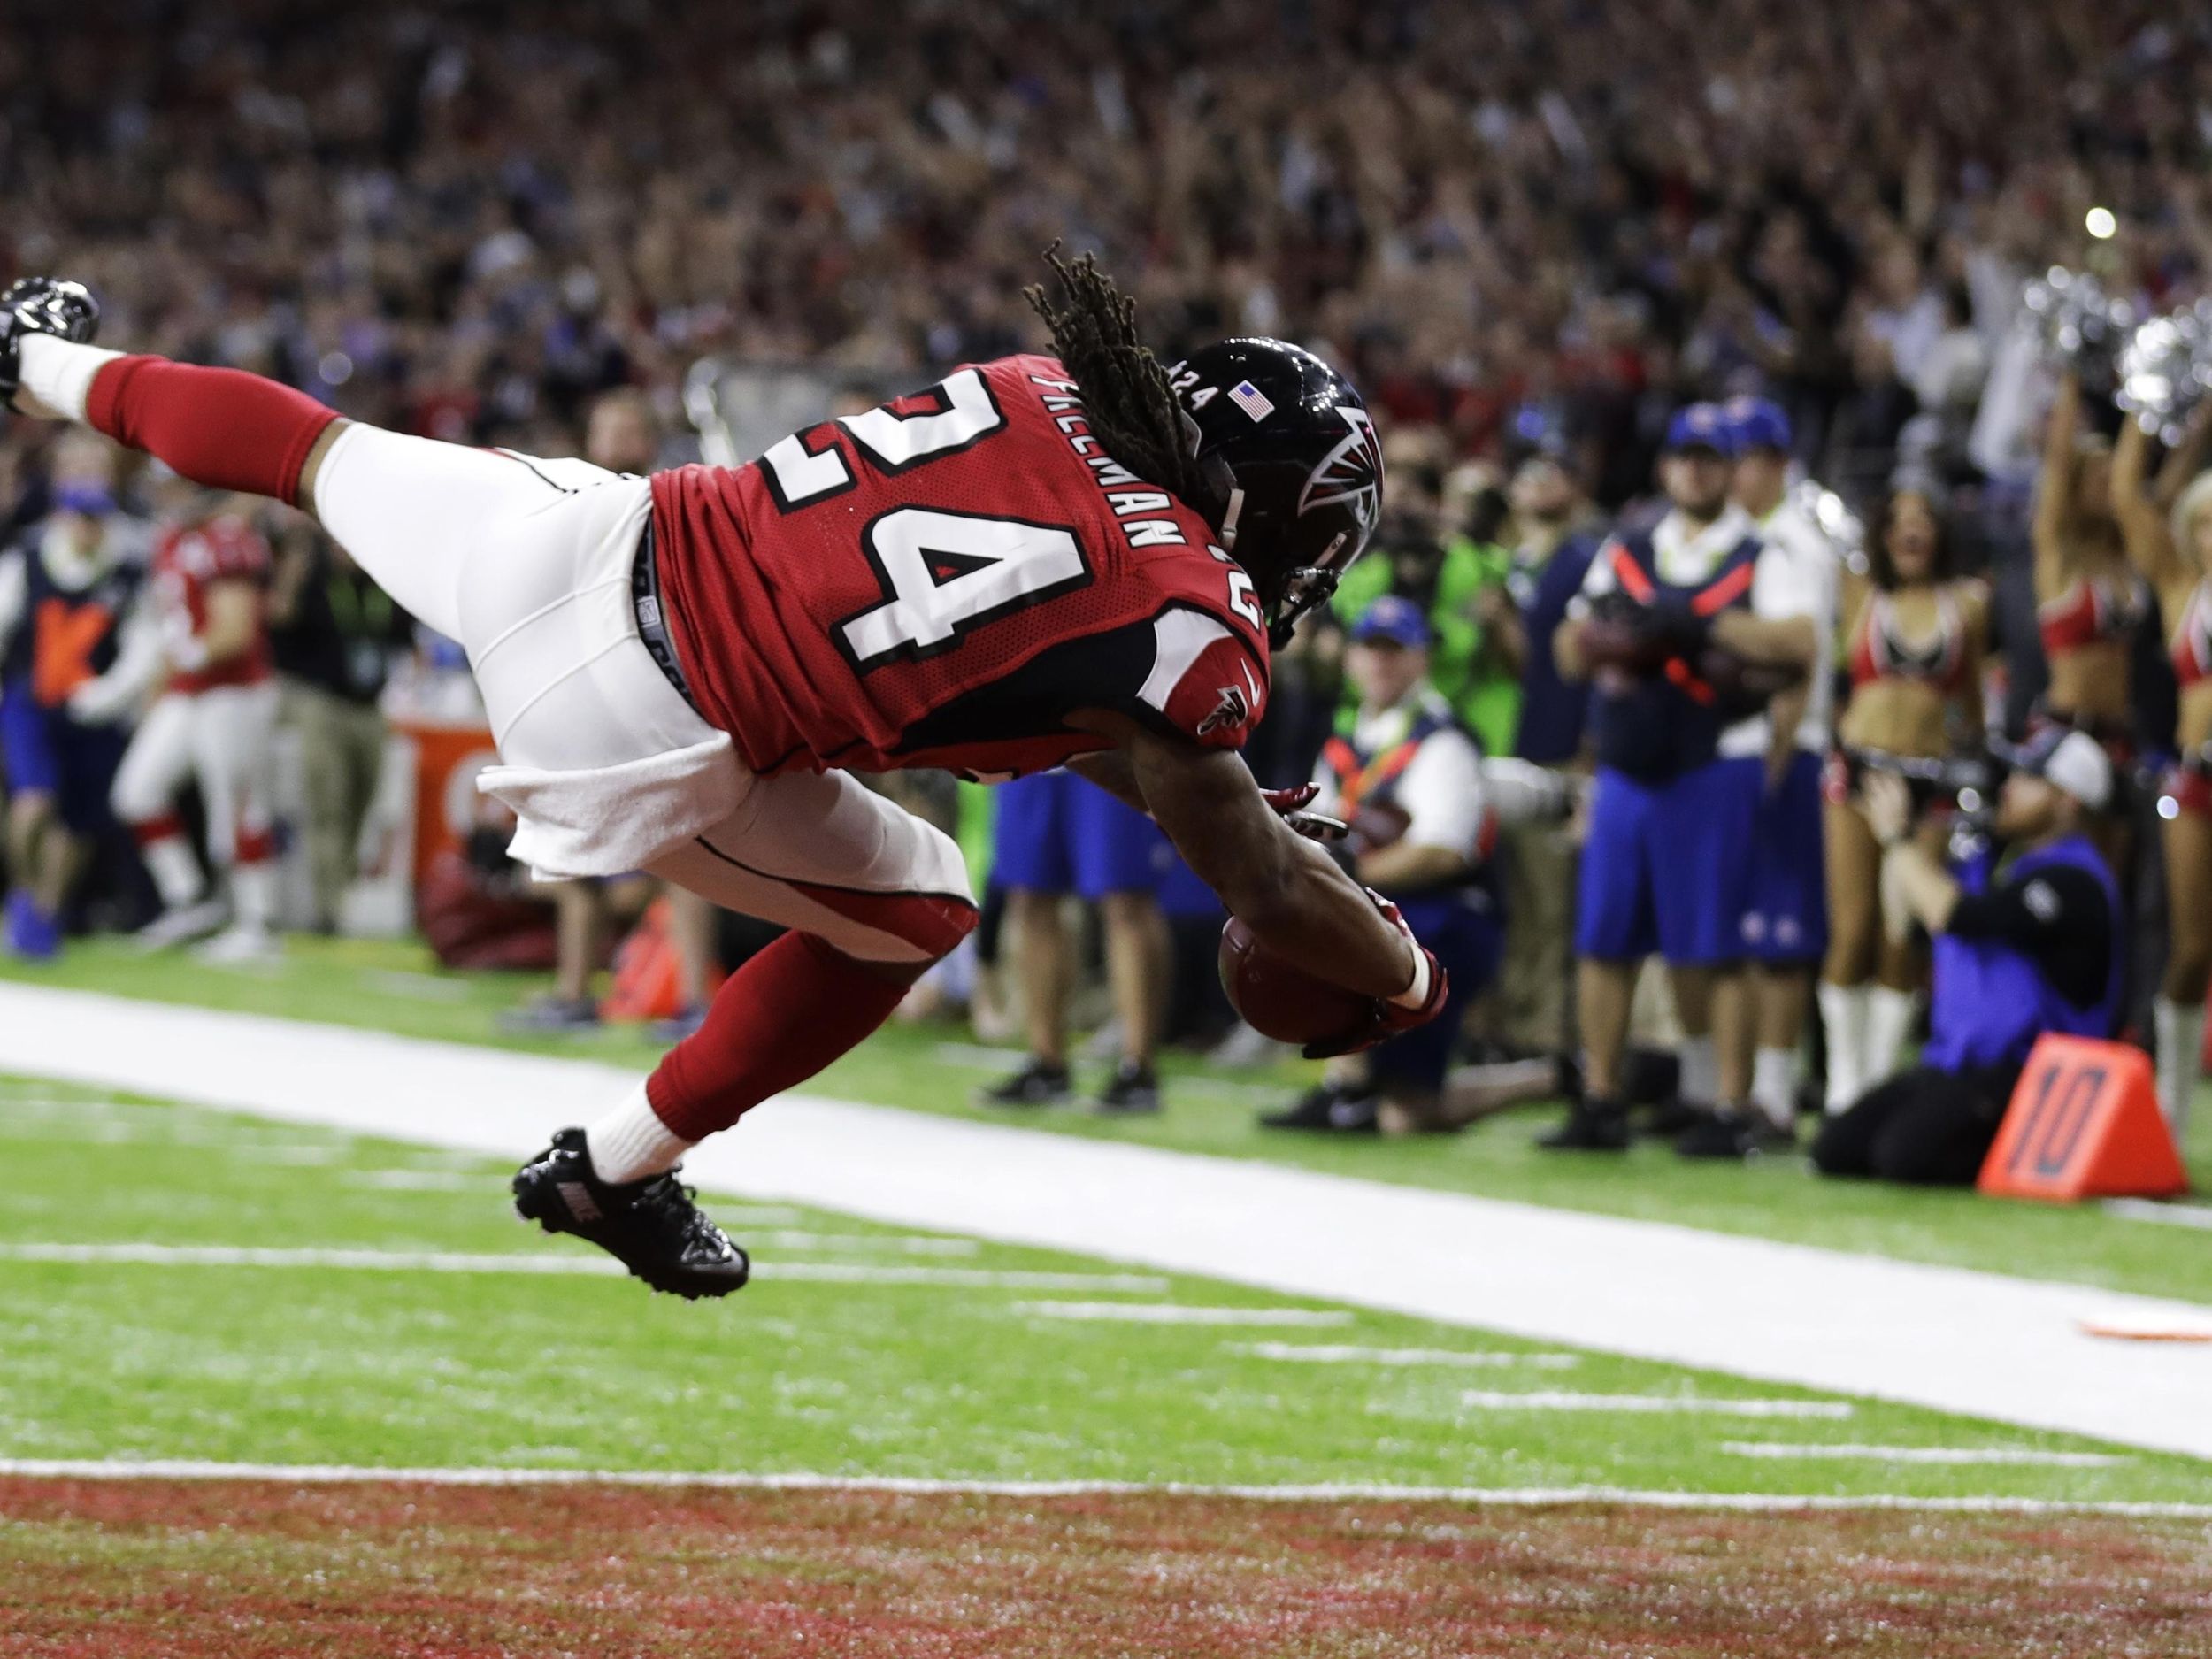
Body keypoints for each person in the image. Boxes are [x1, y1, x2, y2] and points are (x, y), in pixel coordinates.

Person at [0, 256, 1443, 1299]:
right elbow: (1241, 870)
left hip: (583, 537)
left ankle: (37, 360)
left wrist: (1238, 799)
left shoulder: (1045, 384)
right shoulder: (1189, 609)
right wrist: (1406, 977)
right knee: (925, 905)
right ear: (1256, 492)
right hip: (641, 714)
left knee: (309, 448)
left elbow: (1089, 698)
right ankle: (612, 1170)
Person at [1542, 403, 1821, 1152]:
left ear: (1731, 471)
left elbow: (1799, 643)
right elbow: (1571, 647)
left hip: (1714, 759)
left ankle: (1730, 1105)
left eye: (1710, 458)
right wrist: (1617, 635)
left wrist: (1697, 623)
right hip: (1630, 763)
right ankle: (1601, 1095)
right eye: (1684, 457)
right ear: (1666, 466)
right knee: (1604, 936)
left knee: (1716, 944)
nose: (1695, 470)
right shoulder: (1628, 546)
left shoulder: (1765, 553)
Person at [499, 387, 716, 1035]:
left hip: (667, 690)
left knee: (689, 848)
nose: (619, 439)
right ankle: (574, 990)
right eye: (609, 426)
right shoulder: (565, 510)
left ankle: (694, 995)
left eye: (630, 427)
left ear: (648, 440)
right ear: (590, 439)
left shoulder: (676, 505)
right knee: (567, 843)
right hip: (589, 692)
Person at [1811, 729, 2120, 1185]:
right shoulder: (1999, 859)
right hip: (1957, 1061)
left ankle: (2018, 1146)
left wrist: (1898, 840)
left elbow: (1953, 915)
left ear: (2066, 800)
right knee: (1836, 1147)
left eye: (2030, 779)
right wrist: (1911, 834)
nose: (2010, 789)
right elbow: (1903, 923)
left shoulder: (2075, 880)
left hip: (2034, 1071)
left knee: (1905, 1157)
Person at [1261, 598, 1503, 1134]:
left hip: (1447, 916)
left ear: (1421, 659)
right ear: (1351, 658)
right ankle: (1347, 1083)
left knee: (1408, 1109)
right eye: (1371, 649)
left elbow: (1442, 852)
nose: (1380, 663)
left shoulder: (1442, 740)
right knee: (1402, 1112)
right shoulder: (1346, 739)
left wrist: (1346, 880)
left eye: (1395, 652)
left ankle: (1351, 1085)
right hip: (1396, 908)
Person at [1818, 488, 1989, 1112]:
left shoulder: (1967, 605)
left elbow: (1971, 700)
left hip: (1929, 781)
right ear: (1884, 536)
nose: (1913, 530)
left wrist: (1969, 759)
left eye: (1925, 519)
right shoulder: (1861, 594)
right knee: (1853, 928)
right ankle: (1842, 1085)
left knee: (1901, 934)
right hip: (1859, 773)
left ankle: (1879, 1083)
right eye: (1900, 521)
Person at [1722, 396, 1840, 1145]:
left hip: (1786, 752)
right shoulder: (1763, 536)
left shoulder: (1793, 541)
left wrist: (1778, 750)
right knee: (1750, 930)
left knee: (1779, 934)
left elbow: (1800, 660)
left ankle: (1772, 1096)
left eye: (1738, 458)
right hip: (1764, 750)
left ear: (1771, 462)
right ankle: (1753, 1090)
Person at [109, 485, 282, 961]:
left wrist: (172, 662)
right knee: (137, 792)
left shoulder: (225, 540)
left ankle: (257, 923)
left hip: (234, 690)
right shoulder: (170, 539)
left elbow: (234, 633)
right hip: (189, 690)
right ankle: (189, 899)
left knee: (239, 806)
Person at [0, 432, 148, 957]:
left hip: (93, 709)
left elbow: (142, 641)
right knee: (33, 801)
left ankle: (47, 910)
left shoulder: (131, 557)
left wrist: (113, 694)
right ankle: (21, 896)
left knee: (78, 820)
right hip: (32, 698)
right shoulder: (31, 551)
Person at [2112, 406, 2212, 1137]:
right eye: (2203, 523)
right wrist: (2162, 414)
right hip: (2195, 781)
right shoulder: (2182, 590)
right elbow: (2126, 495)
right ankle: (2173, 1108)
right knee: (2192, 947)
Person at [976, 771, 1171, 1112]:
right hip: (1029, 740)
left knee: (1126, 898)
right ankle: (1046, 1064)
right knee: (1029, 895)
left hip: (1105, 737)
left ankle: (1138, 1068)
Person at [267, 526, 415, 933]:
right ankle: (328, 908)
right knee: (327, 804)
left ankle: (341, 892)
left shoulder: (381, 582)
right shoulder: (312, 579)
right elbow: (278, 620)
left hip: (370, 707)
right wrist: (291, 574)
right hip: (322, 703)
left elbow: (405, 640)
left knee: (363, 803)